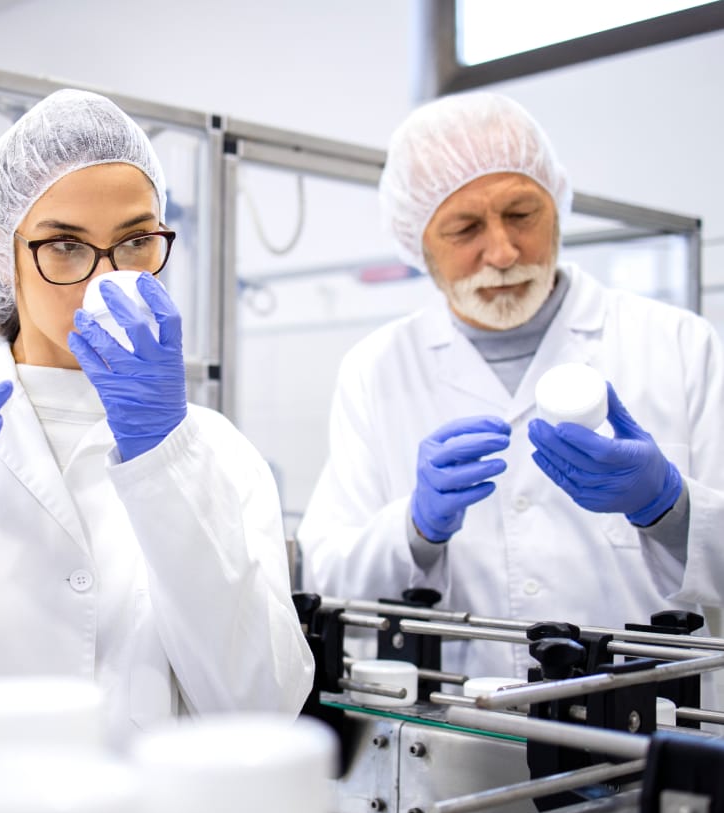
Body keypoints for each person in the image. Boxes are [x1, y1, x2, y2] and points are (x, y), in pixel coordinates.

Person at [0, 89, 314, 738]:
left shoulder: (216, 452)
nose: (104, 278)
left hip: (148, 806)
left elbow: (262, 706)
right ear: (4, 255)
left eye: (136, 241)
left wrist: (167, 465)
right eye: (65, 245)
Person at [297, 92, 724, 681]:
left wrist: (671, 509)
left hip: (653, 714)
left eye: (522, 214)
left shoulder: (679, 345)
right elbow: (327, 580)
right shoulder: (377, 369)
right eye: (464, 228)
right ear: (419, 244)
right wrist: (414, 531)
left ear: (557, 210)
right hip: (455, 718)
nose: (501, 252)